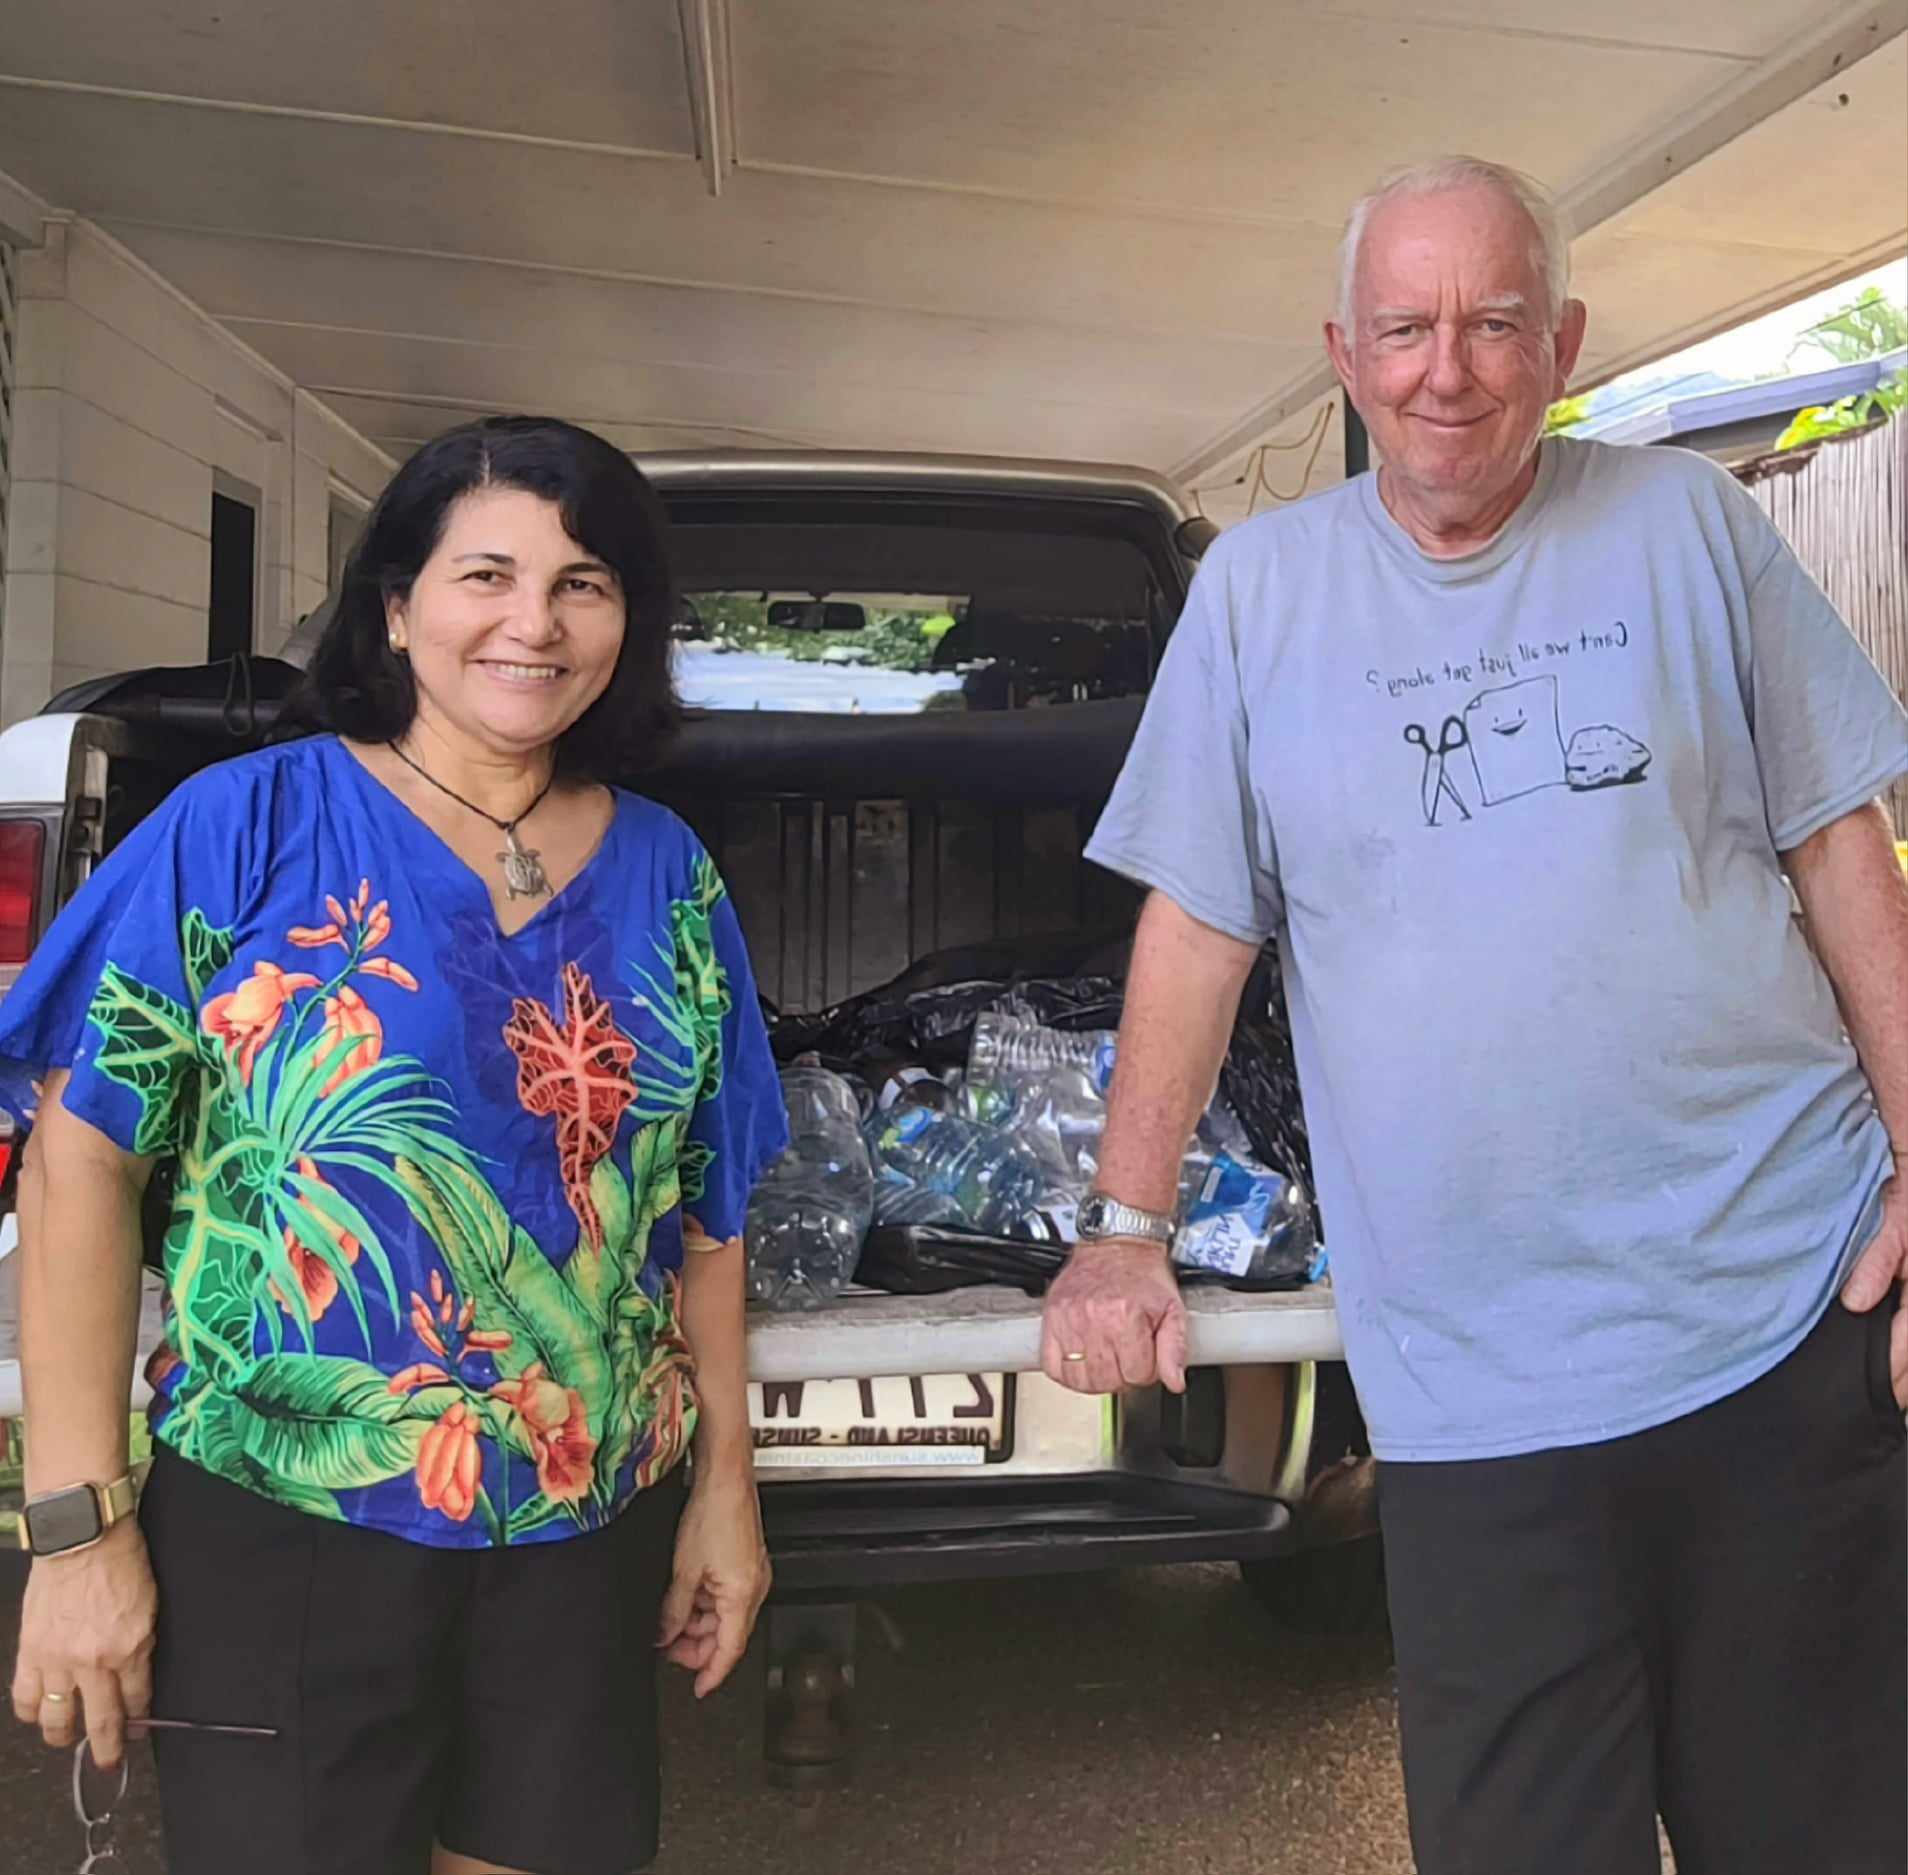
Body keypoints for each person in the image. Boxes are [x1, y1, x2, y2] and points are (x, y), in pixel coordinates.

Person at [1042, 157, 1908, 1874]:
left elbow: (1839, 844)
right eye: (1408, 326)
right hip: (1475, 1391)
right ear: (1343, 356)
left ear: (1563, 340)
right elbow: (1199, 924)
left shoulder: (1691, 525)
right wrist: (1125, 1230)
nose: (1450, 366)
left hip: (1784, 1318)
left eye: (1495, 322)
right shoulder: (1260, 594)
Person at [2, 415, 789, 1875]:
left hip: (583, 1526)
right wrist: (77, 1529)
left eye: (583, 584)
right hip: (283, 1524)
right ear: (395, 608)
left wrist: (727, 1499)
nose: (532, 625)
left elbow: (709, 1217)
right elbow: (78, 1162)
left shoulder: (670, 874)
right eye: (484, 573)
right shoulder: (243, 828)